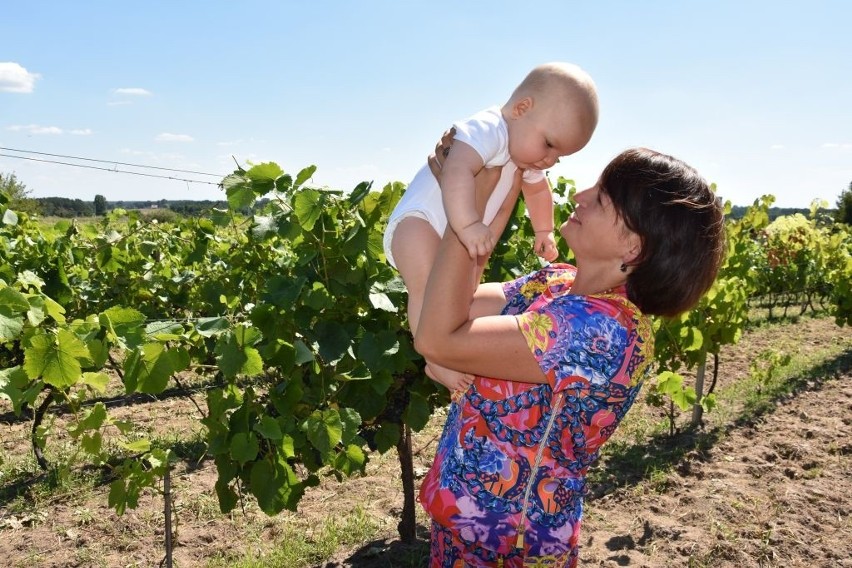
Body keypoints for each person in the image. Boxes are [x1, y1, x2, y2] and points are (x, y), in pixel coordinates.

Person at [414, 147, 726, 567]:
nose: (580, 195)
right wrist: (495, 188)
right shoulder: (558, 283)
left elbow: (438, 336)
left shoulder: (603, 329)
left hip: (508, 545)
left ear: (632, 246)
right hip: (463, 521)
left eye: (601, 198)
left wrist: (468, 206)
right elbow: (455, 304)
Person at [383, 62, 599, 395]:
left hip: (454, 235)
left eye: (560, 156)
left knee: (456, 296)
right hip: (419, 224)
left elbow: (539, 191)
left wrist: (545, 232)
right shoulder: (490, 129)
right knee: (427, 290)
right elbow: (454, 168)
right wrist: (468, 224)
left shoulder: (524, 154)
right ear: (521, 108)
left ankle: (441, 348)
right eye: (550, 145)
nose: (549, 160)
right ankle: (435, 358)